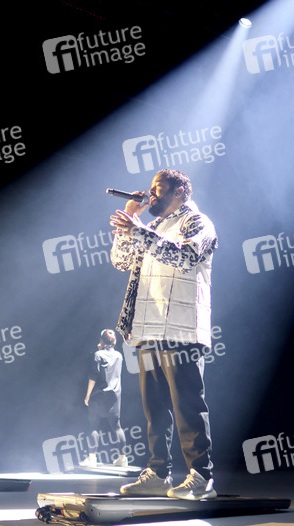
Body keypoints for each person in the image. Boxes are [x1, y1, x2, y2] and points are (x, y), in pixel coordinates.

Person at [109, 168, 219, 500]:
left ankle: (201, 476)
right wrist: (130, 222)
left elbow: (185, 256)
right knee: (154, 408)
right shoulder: (153, 226)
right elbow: (120, 261)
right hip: (148, 327)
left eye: (159, 188)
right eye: (151, 188)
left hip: (181, 329)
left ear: (180, 192)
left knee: (187, 405)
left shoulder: (198, 222)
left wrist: (139, 231)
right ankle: (158, 473)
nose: (151, 193)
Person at [80, 329, 128, 468]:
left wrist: (87, 395)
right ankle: (122, 459)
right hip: (115, 396)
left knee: (94, 426)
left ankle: (92, 458)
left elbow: (93, 377)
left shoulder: (98, 355)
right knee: (117, 427)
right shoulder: (119, 356)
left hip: (99, 396)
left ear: (101, 340)